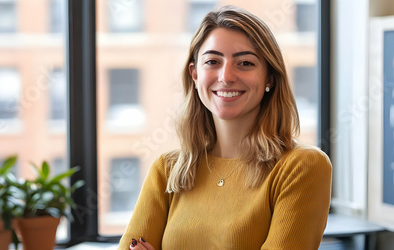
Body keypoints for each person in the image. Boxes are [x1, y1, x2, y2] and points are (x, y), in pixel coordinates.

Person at [118, 5, 332, 250]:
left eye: (245, 63)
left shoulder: (302, 167)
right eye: (212, 61)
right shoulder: (167, 170)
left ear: (269, 78)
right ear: (195, 74)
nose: (226, 76)